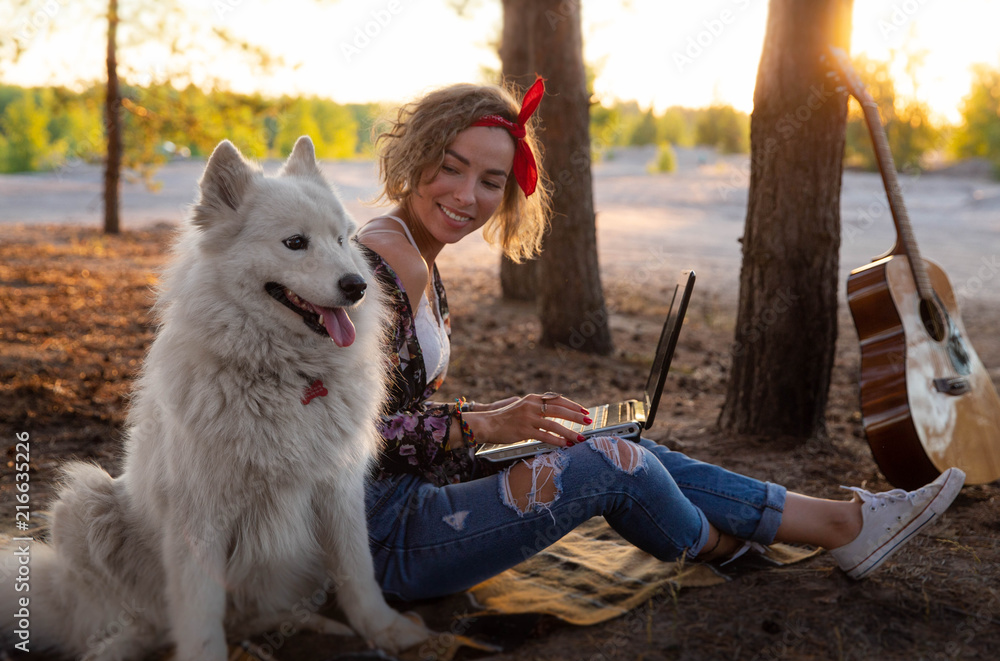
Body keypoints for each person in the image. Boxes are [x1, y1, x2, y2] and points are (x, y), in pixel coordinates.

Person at [355, 78, 965, 602]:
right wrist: (486, 425)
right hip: (378, 537)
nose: (467, 196)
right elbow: (340, 437)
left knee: (605, 437)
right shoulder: (386, 260)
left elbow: (390, 410)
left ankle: (846, 525)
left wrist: (497, 416)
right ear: (417, 153)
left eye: (491, 180)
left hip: (412, 495)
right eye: (451, 166)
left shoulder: (418, 259)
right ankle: (728, 548)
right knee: (608, 462)